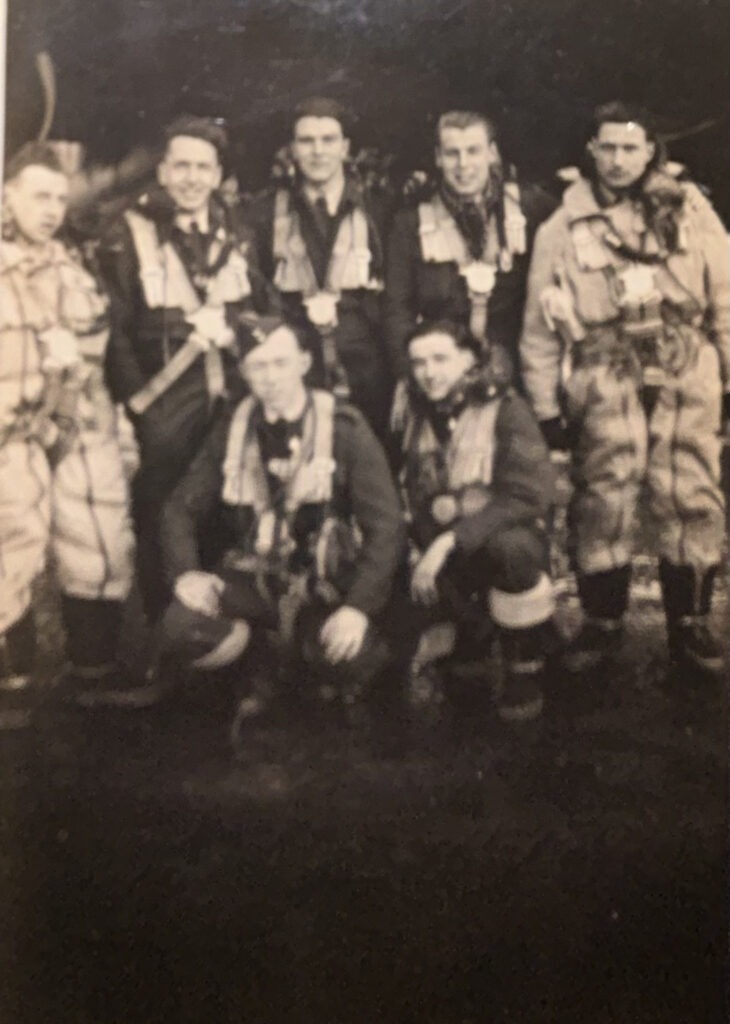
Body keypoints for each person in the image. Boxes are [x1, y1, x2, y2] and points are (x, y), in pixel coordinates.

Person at [520, 101, 729, 677]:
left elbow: (726, 299)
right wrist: (545, 408)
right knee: (604, 491)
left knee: (689, 488)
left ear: (650, 151)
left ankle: (689, 623)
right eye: (607, 147)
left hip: (686, 362)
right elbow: (539, 329)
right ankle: (602, 621)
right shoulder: (563, 225)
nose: (617, 160)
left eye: (630, 148)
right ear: (591, 150)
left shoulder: (691, 211)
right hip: (602, 367)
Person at [156, 317, 405, 743]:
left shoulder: (344, 427)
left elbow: (386, 526)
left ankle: (311, 674)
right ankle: (256, 662)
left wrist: (358, 608)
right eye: (257, 367)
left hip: (322, 586)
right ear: (244, 373)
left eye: (280, 363)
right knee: (180, 629)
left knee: (349, 659)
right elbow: (180, 508)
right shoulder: (233, 427)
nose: (269, 378)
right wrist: (185, 573)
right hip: (251, 579)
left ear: (304, 363)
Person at [98, 115, 275, 625]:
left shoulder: (238, 229)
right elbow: (115, 330)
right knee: (161, 513)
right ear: (164, 171)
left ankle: (228, 631)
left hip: (231, 396)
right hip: (164, 403)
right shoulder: (128, 231)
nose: (192, 178)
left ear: (218, 174)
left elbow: (267, 305)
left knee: (227, 502)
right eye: (181, 166)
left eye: (203, 167)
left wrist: (238, 330)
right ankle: (167, 633)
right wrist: (138, 405)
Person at [0, 142, 135, 725]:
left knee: (98, 535)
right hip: (9, 433)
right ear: (8, 198)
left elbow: (96, 356)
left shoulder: (74, 269)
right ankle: (13, 680)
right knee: (11, 544)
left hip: (75, 424)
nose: (51, 209)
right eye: (38, 196)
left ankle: (93, 674)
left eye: (59, 198)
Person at [391, 319, 557, 722]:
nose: (428, 372)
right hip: (442, 548)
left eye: (440, 358)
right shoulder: (412, 412)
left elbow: (528, 494)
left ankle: (525, 662)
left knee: (512, 550)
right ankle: (474, 631)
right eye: (418, 362)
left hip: (496, 537)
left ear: (468, 358)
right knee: (457, 668)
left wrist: (450, 541)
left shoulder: (506, 407)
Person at [245, 98, 393, 437]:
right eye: (307, 141)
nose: (318, 151)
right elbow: (259, 291)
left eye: (328, 140)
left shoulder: (379, 208)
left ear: (345, 148)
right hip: (299, 365)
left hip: (367, 366)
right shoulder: (266, 212)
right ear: (293, 149)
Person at [384, 110, 556, 388]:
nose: (463, 165)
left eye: (473, 151)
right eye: (452, 154)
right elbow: (397, 309)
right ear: (438, 157)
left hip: (516, 368)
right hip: (440, 371)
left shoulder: (532, 208)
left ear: (492, 153)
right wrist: (407, 376)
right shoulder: (409, 222)